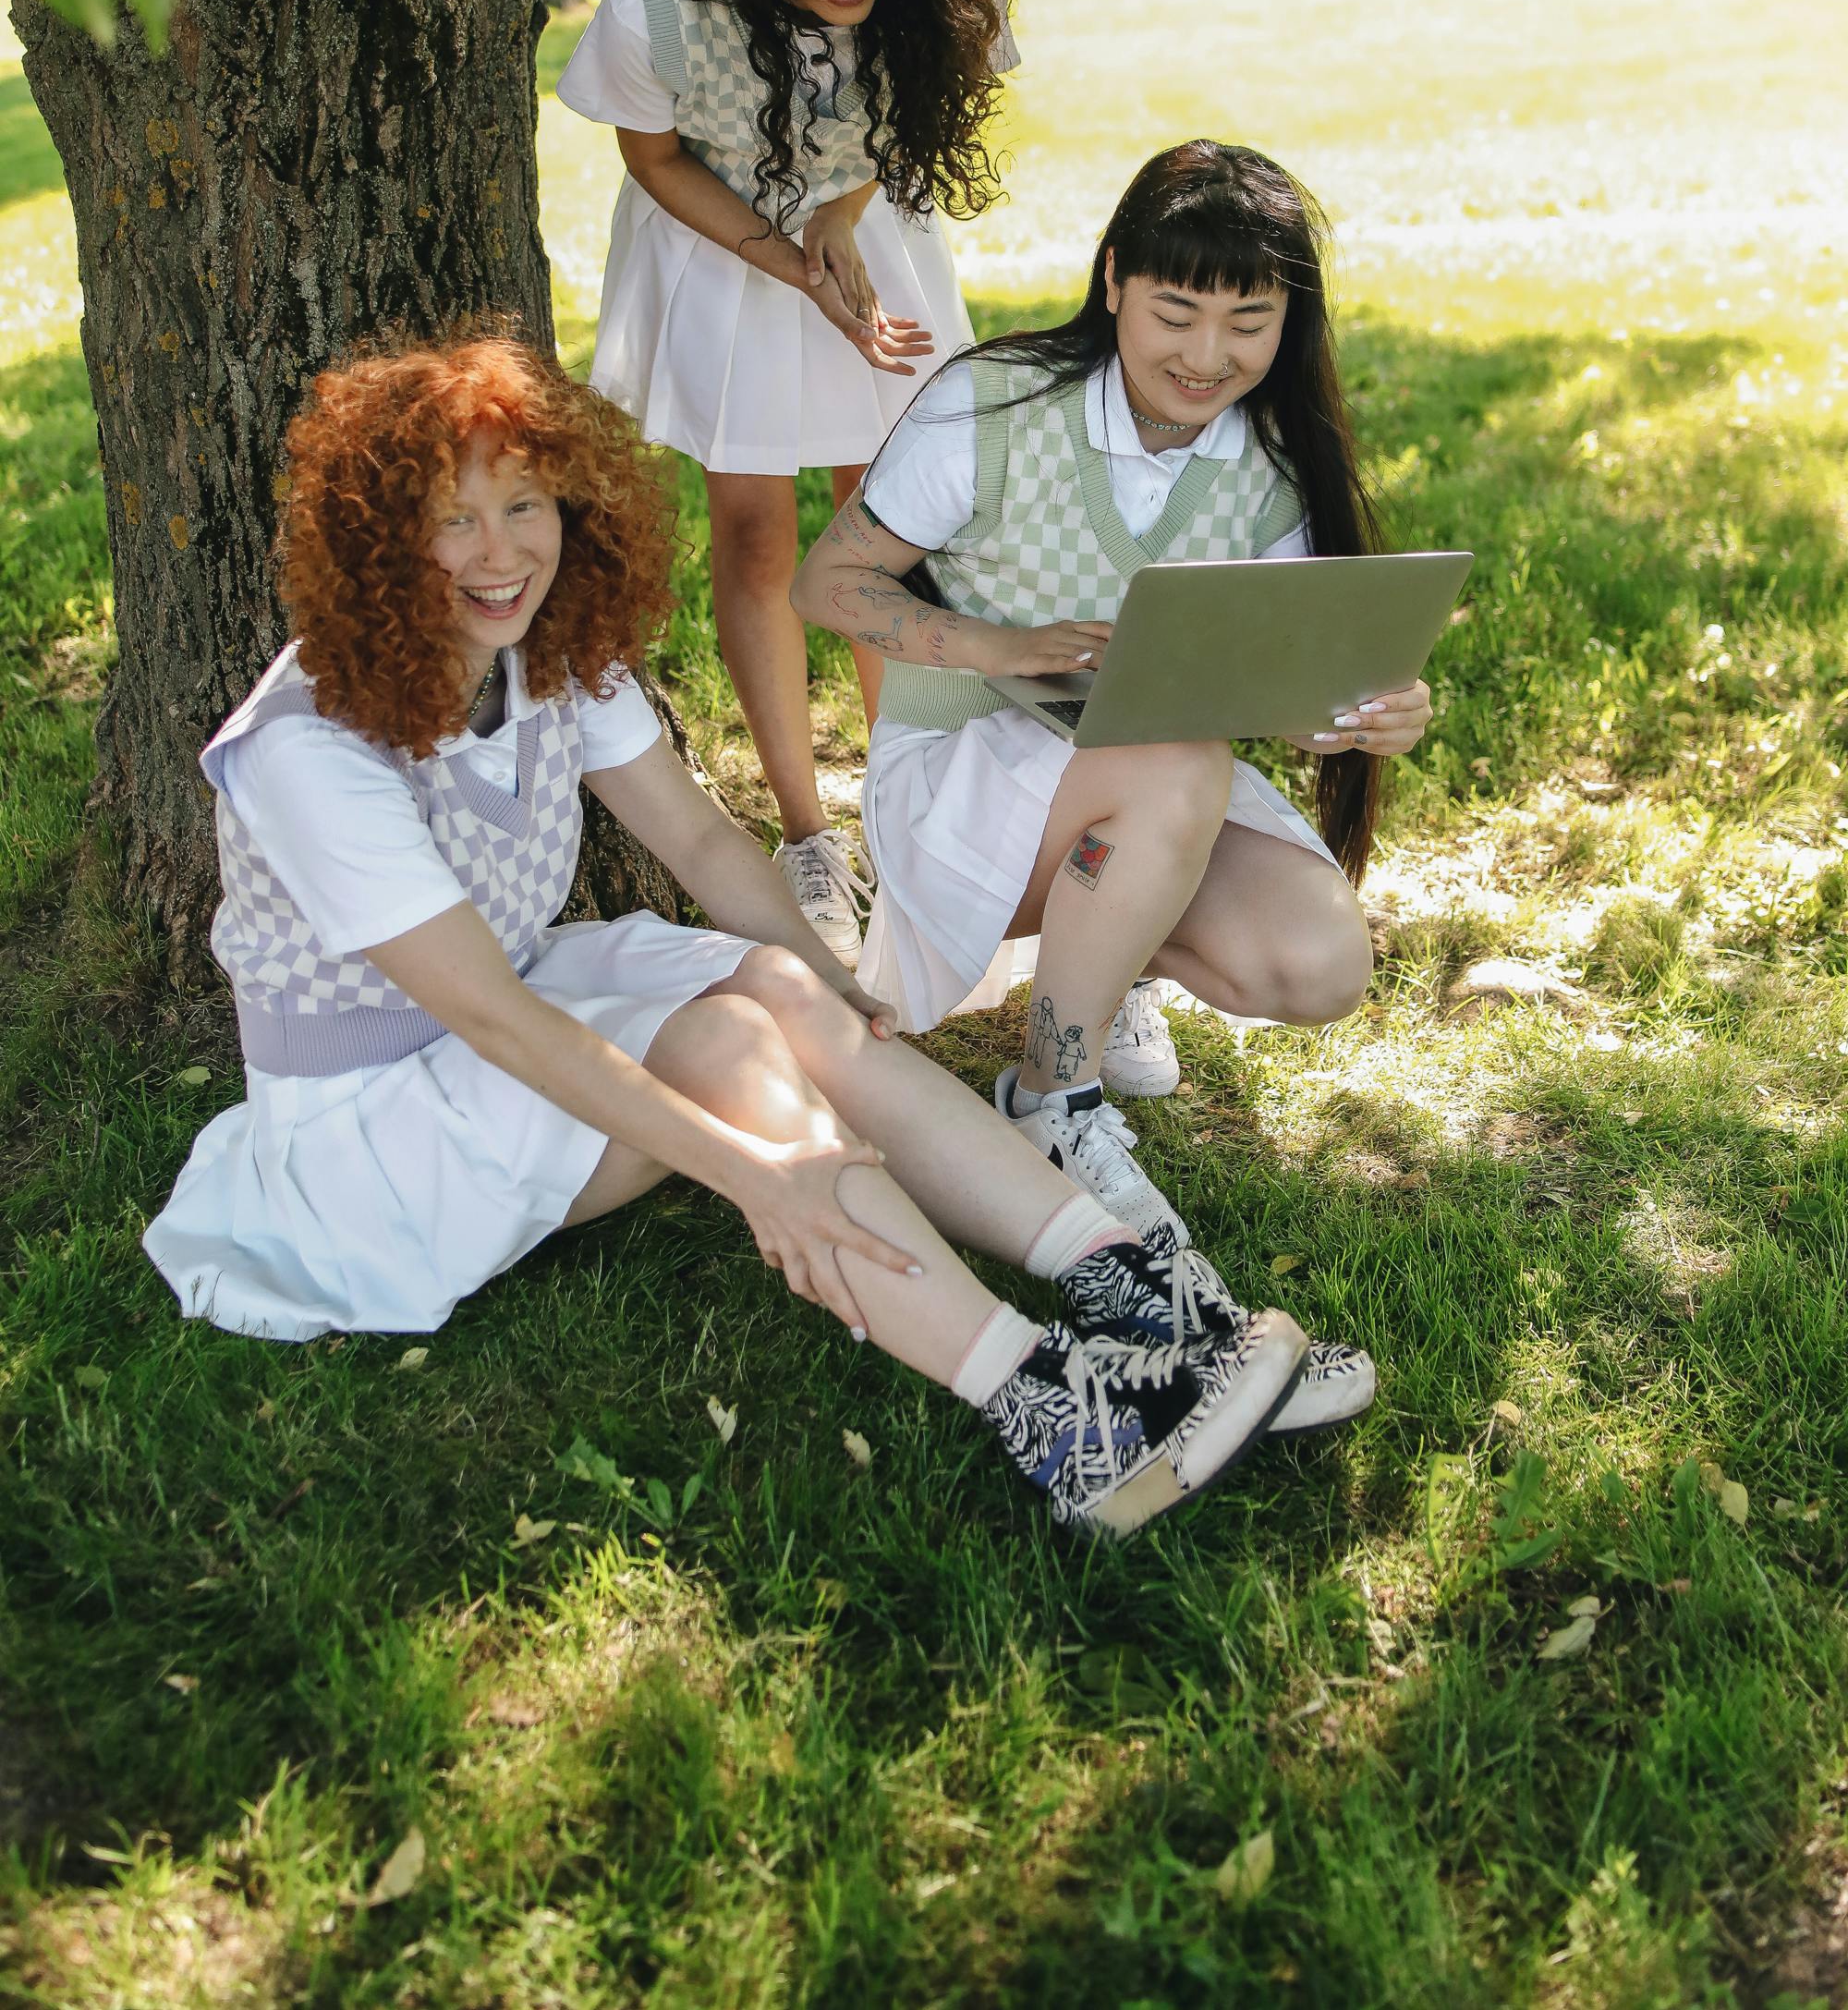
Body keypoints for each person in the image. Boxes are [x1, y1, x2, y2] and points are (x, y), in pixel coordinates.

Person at [143, 335, 1370, 1540]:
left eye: (525, 505)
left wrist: (836, 982)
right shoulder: (311, 748)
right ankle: (1052, 1405)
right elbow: (491, 1017)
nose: (499, 552)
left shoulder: (553, 655)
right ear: (380, 541)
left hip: (507, 1014)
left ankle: (1143, 1295)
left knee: (783, 986)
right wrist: (753, 1173)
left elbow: (707, 849)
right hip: (379, 1128)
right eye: (452, 520)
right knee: (735, 1046)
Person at [793, 140, 1431, 1279]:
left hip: (1134, 788)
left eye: (1246, 323)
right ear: (1112, 284)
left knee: (1317, 963)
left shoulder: (1271, 462)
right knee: (1174, 760)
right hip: (960, 768)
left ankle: (1101, 970)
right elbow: (826, 585)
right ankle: (1051, 1095)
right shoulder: (993, 404)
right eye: (1174, 311)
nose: (1205, 355)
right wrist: (997, 644)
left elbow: (1278, 693)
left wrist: (1357, 711)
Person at [554, 0, 1017, 971]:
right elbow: (651, 158)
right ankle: (810, 838)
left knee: (885, 520)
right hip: (718, 248)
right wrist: (784, 255)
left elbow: (909, 119)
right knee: (757, 530)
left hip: (861, 239)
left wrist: (838, 226)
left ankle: (905, 816)